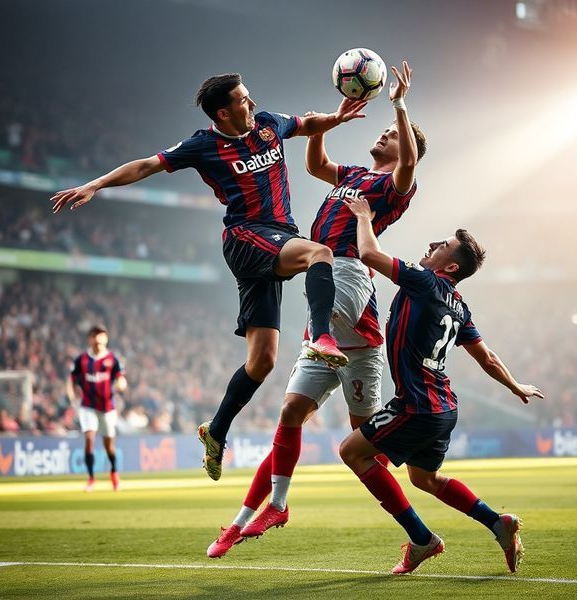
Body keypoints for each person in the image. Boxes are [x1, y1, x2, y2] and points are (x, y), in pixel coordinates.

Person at [51, 74, 366, 480]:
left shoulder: (269, 123)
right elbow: (147, 164)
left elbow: (305, 125)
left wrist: (334, 120)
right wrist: (96, 184)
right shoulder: (204, 145)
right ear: (224, 111)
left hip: (276, 240)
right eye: (243, 100)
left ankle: (215, 431)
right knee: (319, 253)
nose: (252, 103)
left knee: (263, 360)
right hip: (246, 237)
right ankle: (322, 335)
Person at [206, 62, 429, 558]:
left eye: (393, 135)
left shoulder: (395, 186)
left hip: (351, 287)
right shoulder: (352, 175)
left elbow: (410, 164)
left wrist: (398, 105)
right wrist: (319, 125)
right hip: (325, 280)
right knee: (293, 414)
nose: (385, 135)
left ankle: (420, 455)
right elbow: (314, 166)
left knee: (362, 446)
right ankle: (277, 507)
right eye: (386, 131)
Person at [337, 197, 544, 574]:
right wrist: (516, 386)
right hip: (443, 407)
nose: (433, 244)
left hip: (416, 404)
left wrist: (364, 216)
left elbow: (368, 253)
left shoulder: (423, 279)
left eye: (443, 245)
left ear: (450, 265)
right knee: (424, 477)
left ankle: (422, 540)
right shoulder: (460, 306)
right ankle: (497, 523)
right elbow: (487, 358)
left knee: (352, 452)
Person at [67, 325, 127, 492]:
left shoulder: (113, 359)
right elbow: (71, 379)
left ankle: (114, 473)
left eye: (102, 335)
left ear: (106, 338)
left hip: (107, 407)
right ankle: (91, 479)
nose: (99, 338)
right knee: (89, 440)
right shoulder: (82, 360)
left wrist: (121, 384)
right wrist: (71, 393)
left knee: (109, 445)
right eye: (95, 335)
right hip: (87, 407)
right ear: (90, 339)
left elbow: (121, 378)